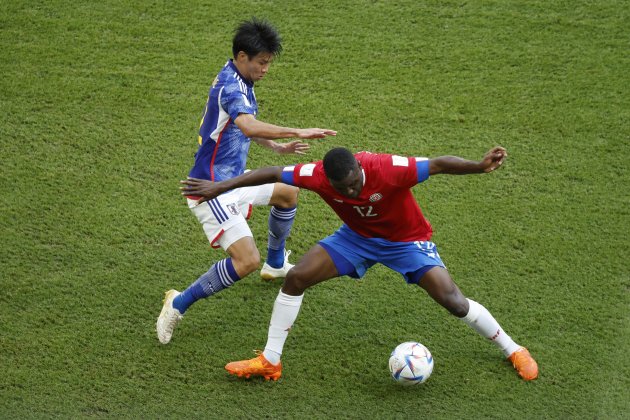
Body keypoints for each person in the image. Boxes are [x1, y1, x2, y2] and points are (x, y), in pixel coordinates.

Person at [180, 146, 539, 381]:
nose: (350, 192)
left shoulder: (389, 169)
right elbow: (272, 171)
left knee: (453, 301)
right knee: (297, 278)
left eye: (353, 184)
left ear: (358, 170)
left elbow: (440, 164)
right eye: (342, 188)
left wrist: (479, 166)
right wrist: (221, 187)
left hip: (405, 241)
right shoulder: (317, 175)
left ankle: (513, 349)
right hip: (355, 238)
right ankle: (270, 360)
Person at [156, 18, 336, 345]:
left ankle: (276, 263)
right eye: (262, 62)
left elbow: (241, 127)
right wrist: (296, 131)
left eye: (269, 62)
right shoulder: (231, 85)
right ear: (242, 57)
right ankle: (177, 303)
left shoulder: (241, 79)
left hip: (233, 181)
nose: (266, 69)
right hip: (210, 190)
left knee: (287, 192)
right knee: (245, 260)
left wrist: (276, 146)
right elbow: (250, 126)